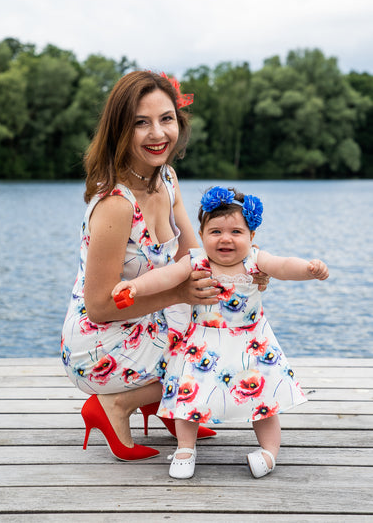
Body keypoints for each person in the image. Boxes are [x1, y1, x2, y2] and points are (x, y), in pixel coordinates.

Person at [61, 71, 269, 462]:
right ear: (120, 130)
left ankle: (171, 408)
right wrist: (177, 293)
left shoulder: (166, 178)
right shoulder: (116, 205)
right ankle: (115, 406)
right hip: (99, 341)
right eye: (141, 122)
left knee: (219, 315)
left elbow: (196, 257)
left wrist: (248, 271)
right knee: (203, 345)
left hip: (144, 319)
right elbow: (101, 307)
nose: (158, 133)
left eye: (166, 119)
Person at [111, 186, 329, 478]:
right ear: (202, 236)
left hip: (252, 344)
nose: (226, 239)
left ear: (251, 237)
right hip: (203, 343)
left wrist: (308, 269)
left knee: (264, 401)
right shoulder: (196, 262)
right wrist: (136, 286)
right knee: (189, 394)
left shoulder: (255, 261)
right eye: (215, 232)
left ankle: (269, 452)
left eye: (236, 232)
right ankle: (185, 448)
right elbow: (163, 277)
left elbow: (283, 266)